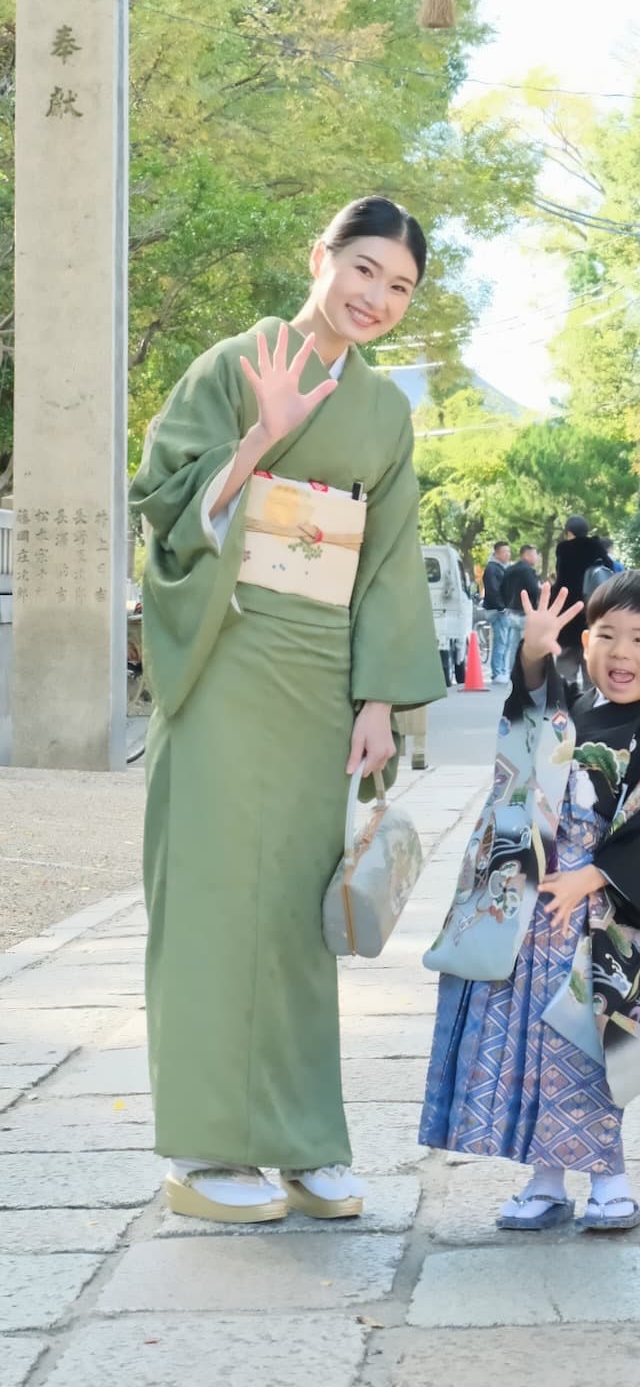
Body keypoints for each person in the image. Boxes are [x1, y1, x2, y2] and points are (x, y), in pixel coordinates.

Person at [130, 195, 447, 1226]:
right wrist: (263, 435)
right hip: (227, 651)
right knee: (217, 901)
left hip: (321, 666)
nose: (376, 297)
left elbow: (391, 564)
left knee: (300, 918)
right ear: (319, 256)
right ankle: (205, 1143)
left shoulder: (387, 412)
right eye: (363, 268)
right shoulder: (235, 362)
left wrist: (378, 698)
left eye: (398, 286)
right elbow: (168, 510)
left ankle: (305, 1138)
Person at [419, 573, 640, 1232]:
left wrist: (594, 874)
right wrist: (534, 651)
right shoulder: (569, 718)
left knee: (586, 1047)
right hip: (531, 917)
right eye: (606, 637)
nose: (621, 653)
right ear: (585, 643)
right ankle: (544, 1181)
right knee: (528, 1045)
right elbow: (530, 709)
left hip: (600, 924)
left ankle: (610, 1181)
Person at [553, 515, 614, 682]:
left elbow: (562, 581)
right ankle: (591, 700)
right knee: (591, 657)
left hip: (571, 611)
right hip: (594, 609)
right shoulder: (597, 547)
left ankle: (566, 699)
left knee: (566, 660)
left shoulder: (564, 549)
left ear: (569, 532)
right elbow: (609, 571)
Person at [500, 542, 541, 670]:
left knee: (513, 646)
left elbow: (501, 589)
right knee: (528, 646)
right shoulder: (527, 571)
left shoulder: (509, 570)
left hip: (511, 612)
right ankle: (526, 673)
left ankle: (512, 672)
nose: (537, 557)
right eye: (535, 554)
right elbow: (534, 590)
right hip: (525, 613)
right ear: (527, 555)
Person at [481, 540, 513, 683]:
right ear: (497, 553)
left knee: (504, 641)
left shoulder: (500, 567)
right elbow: (493, 590)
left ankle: (501, 671)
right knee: (501, 641)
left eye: (509, 551)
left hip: (501, 609)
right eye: (505, 552)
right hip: (497, 611)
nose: (508, 554)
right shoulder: (492, 569)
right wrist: (502, 607)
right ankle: (497, 672)